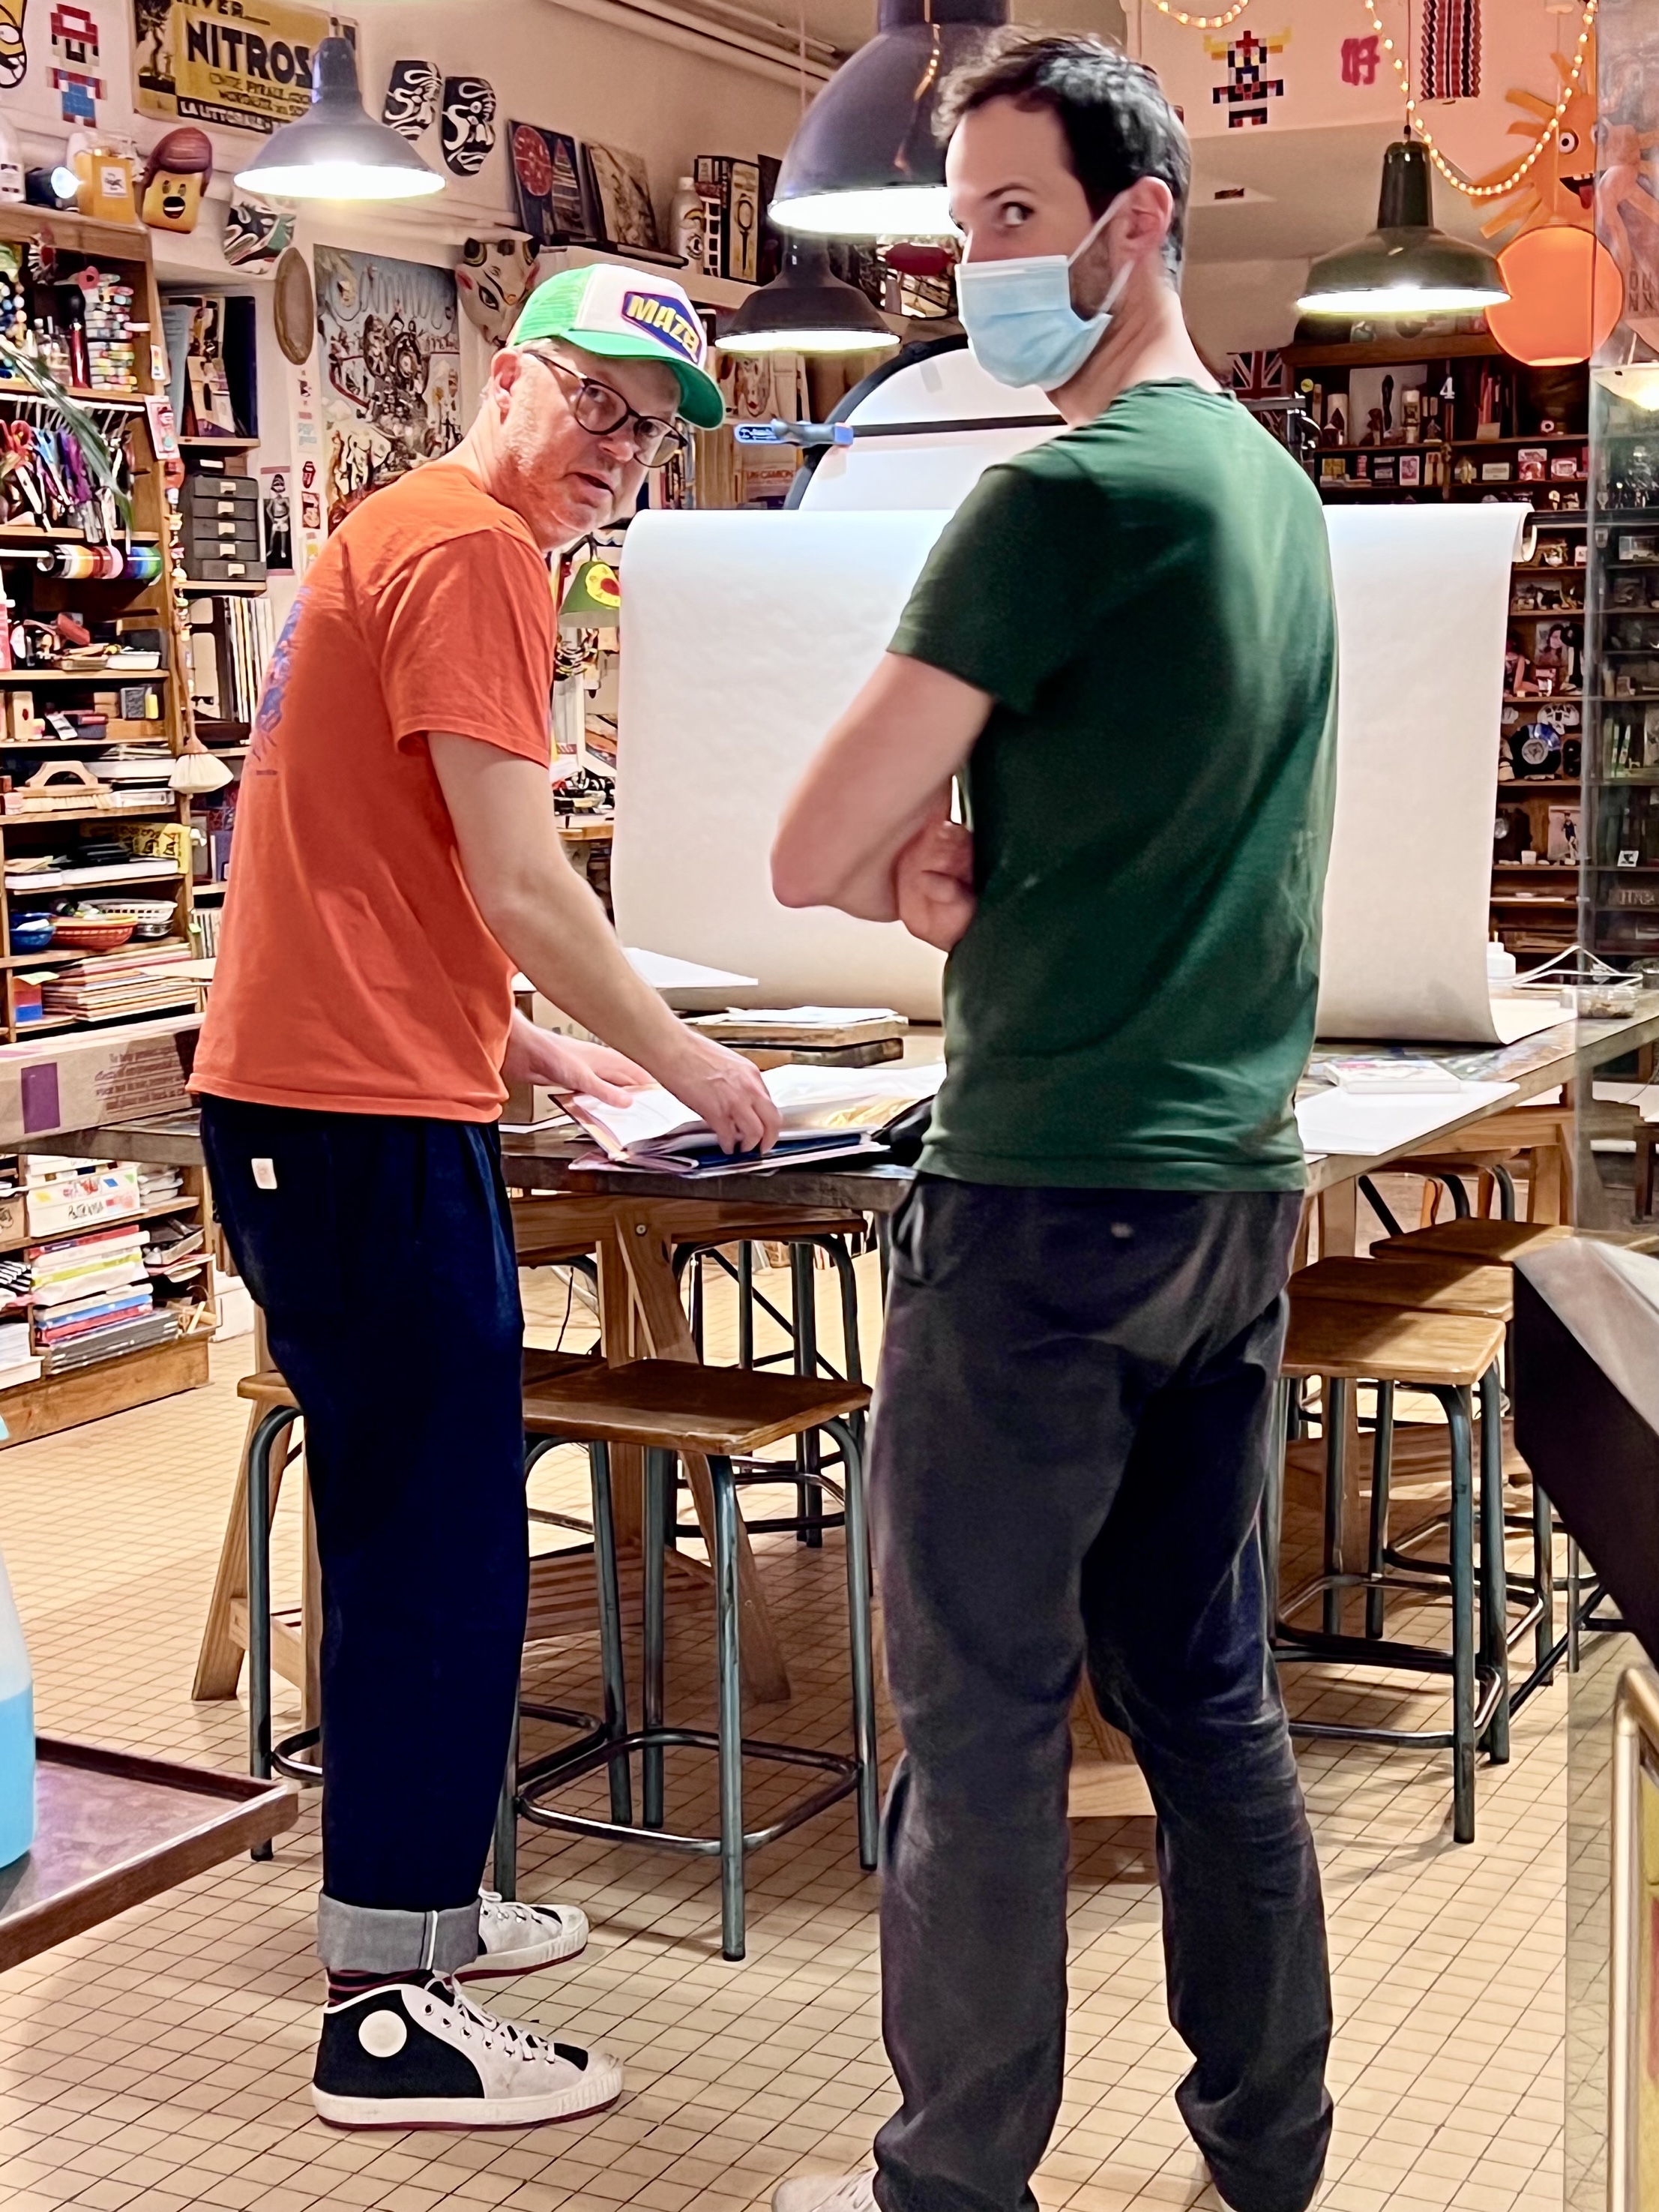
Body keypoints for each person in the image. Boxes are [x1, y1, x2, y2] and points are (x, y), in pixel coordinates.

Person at [768, 35, 1338, 2212]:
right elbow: (1137, 805)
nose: (977, 268)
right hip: (1229, 1190)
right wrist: (949, 856)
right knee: (1205, 1695)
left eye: (1016, 218)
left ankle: (953, 2184)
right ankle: (1265, 2151)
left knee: (984, 1725)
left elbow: (811, 842)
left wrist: (900, 860)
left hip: (1038, 1197)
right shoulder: (1267, 491)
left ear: (1138, 219)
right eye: (962, 228)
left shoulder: (1062, 500)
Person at [190, 264, 780, 2132]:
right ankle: (387, 2012)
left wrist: (525, 1040)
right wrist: (685, 1059)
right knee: (434, 1543)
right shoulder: (475, 554)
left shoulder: (399, 530)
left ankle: (424, 1909)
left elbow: (362, 852)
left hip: (329, 1096)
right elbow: (523, 877)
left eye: (653, 432)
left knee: (415, 1524)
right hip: (353, 1120)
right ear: (510, 374)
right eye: (599, 401)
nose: (621, 450)